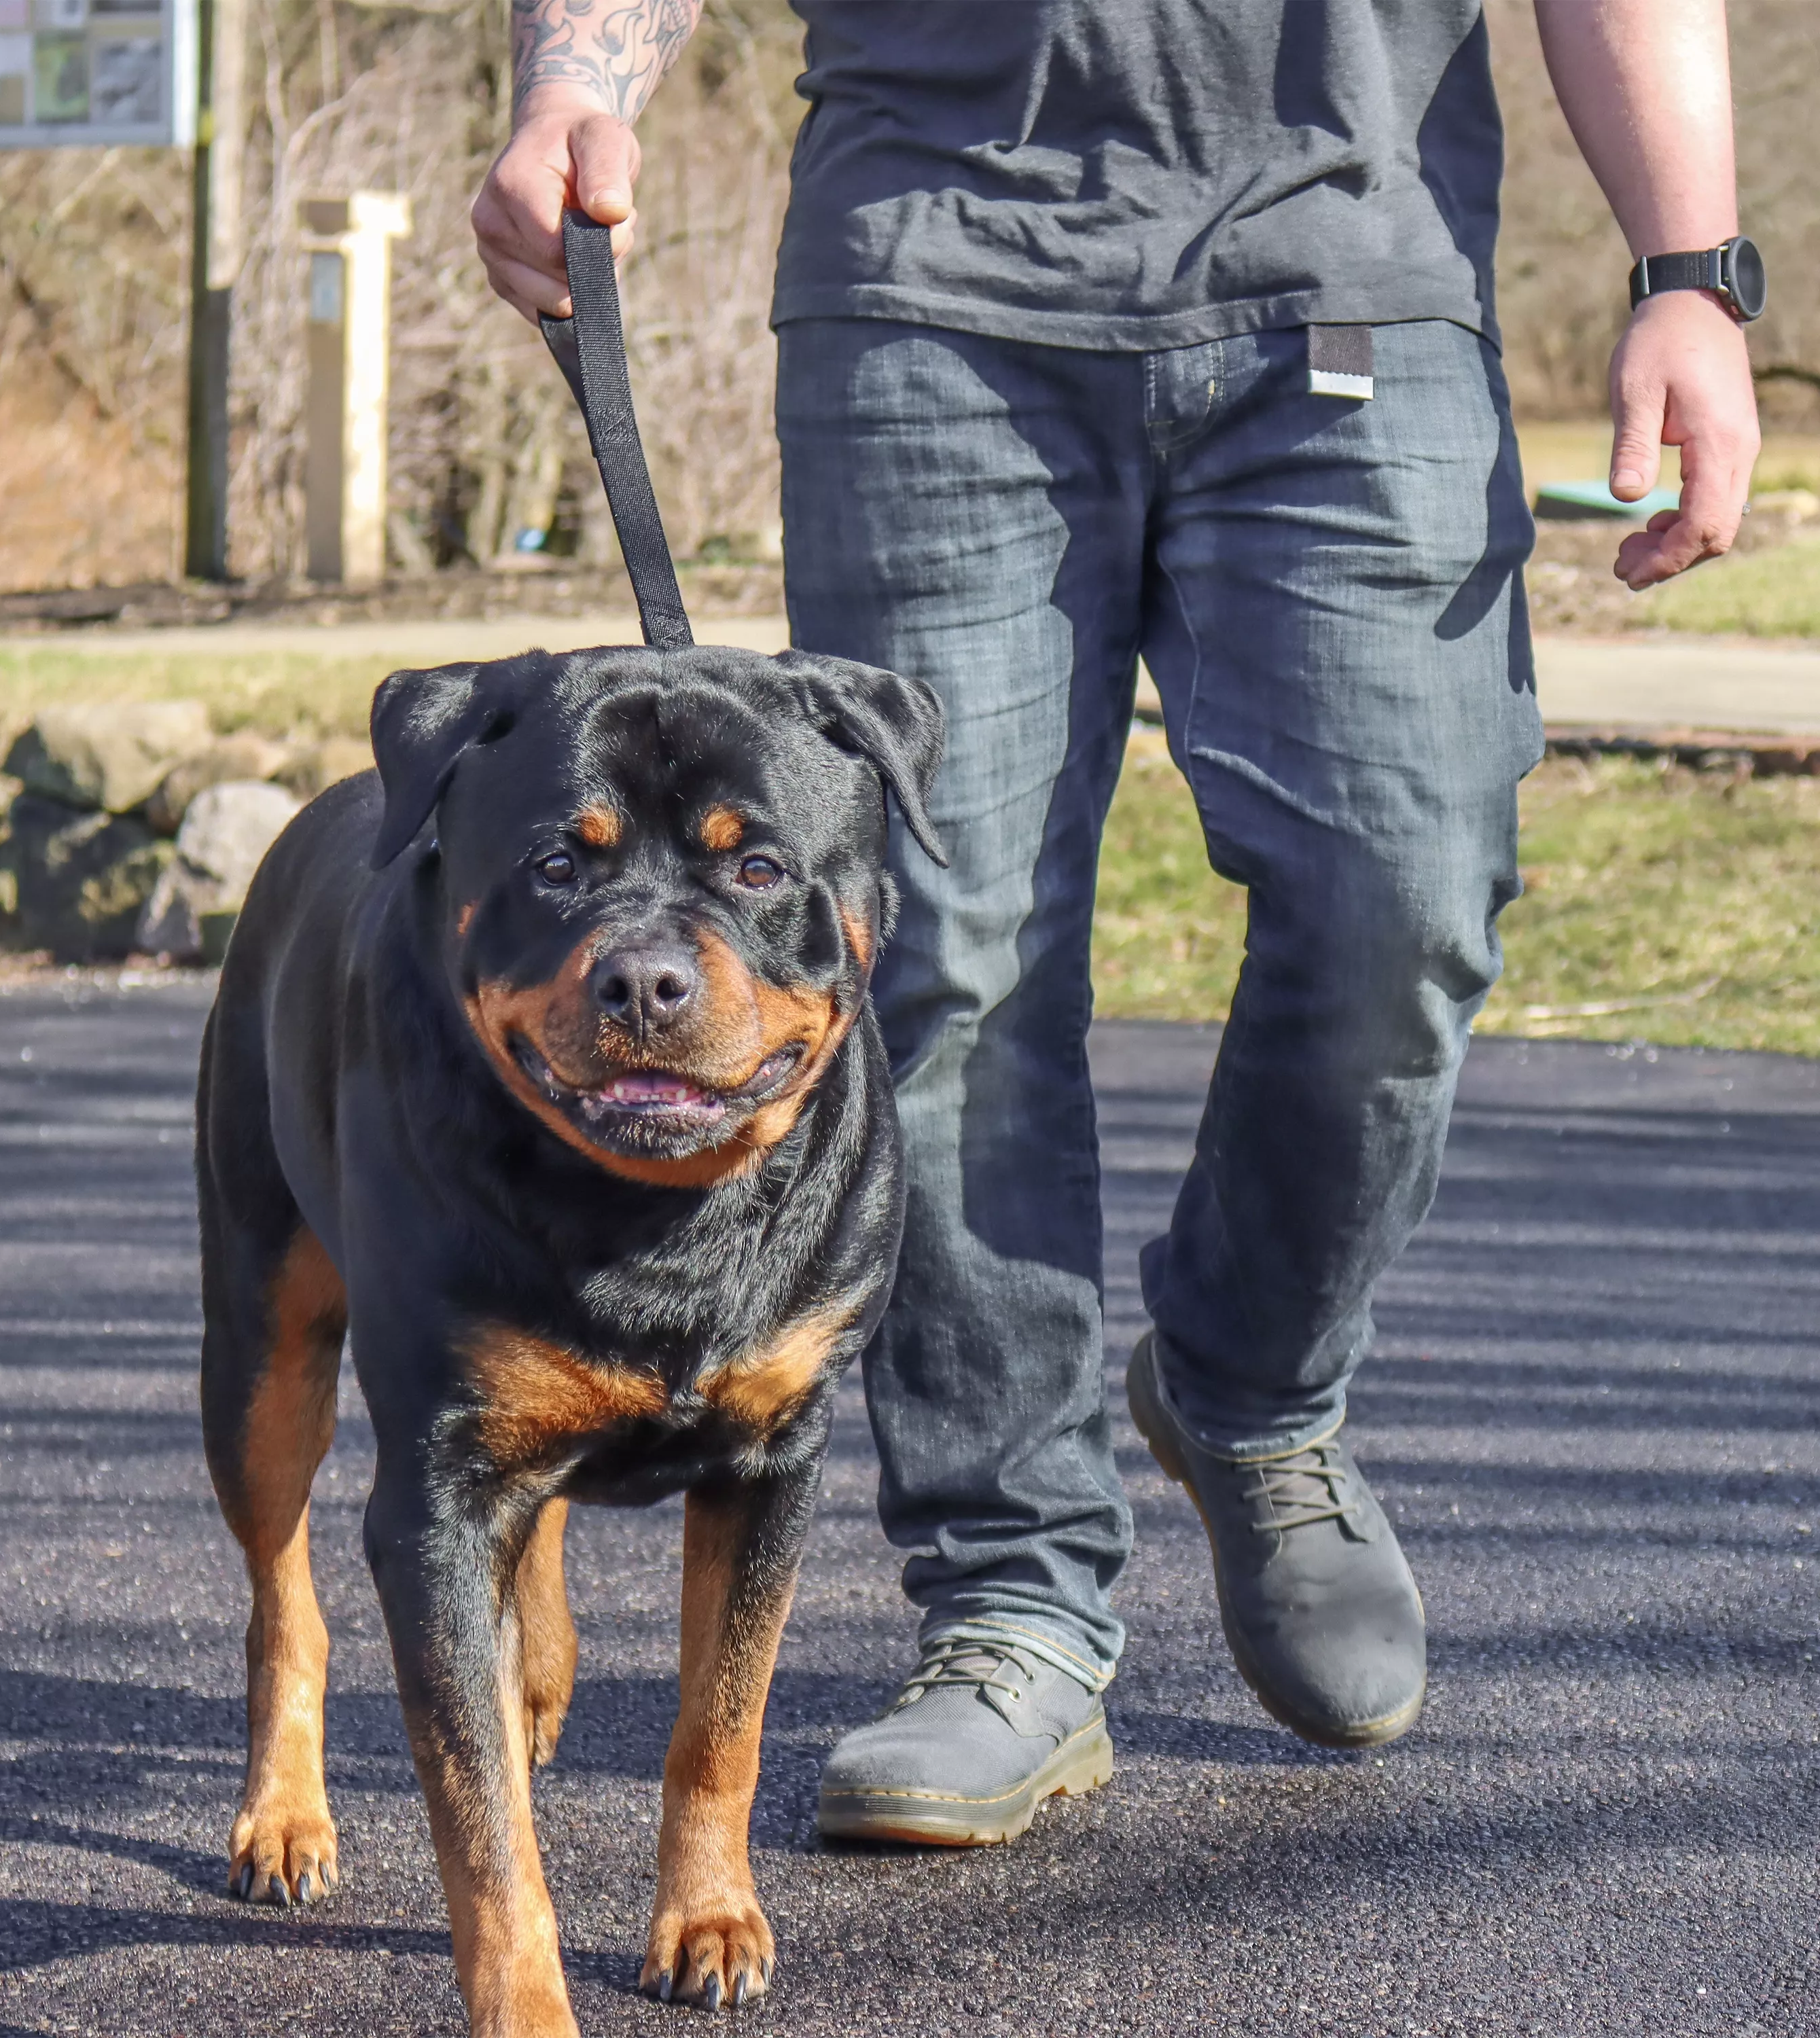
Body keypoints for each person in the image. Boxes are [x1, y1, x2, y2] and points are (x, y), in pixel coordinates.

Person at [473, 0, 1762, 1842]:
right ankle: (1012, 1601)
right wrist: (572, 91)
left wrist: (1691, 271)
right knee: (929, 956)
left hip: (1349, 270)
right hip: (933, 275)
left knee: (1401, 889)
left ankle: (1253, 1391)